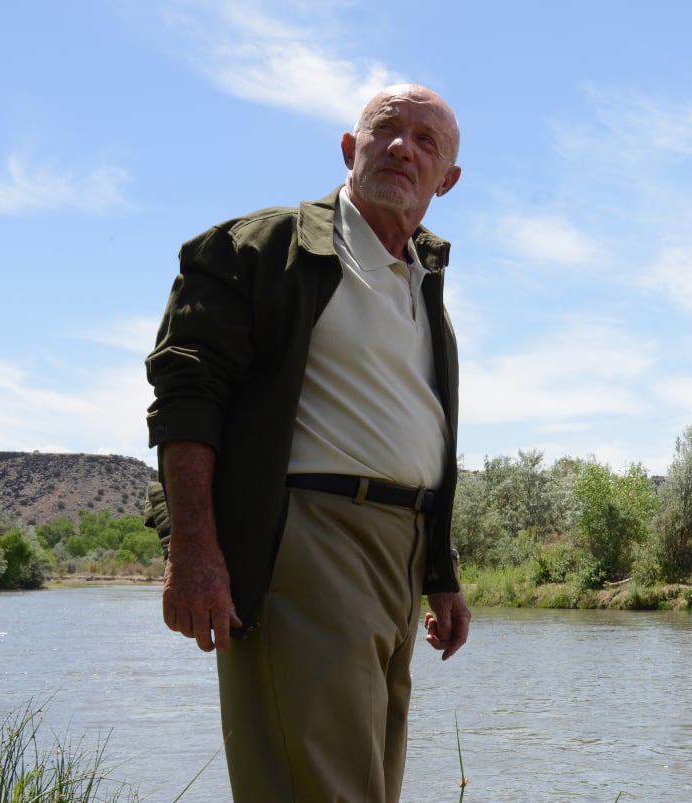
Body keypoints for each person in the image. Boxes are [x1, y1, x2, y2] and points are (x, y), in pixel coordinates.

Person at [143, 83, 471, 802]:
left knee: (369, 785)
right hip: (307, 539)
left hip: (402, 553)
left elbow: (422, 436)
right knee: (317, 787)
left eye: (425, 140)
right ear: (350, 149)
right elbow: (186, 391)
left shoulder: (424, 287)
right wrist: (193, 546)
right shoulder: (265, 250)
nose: (401, 148)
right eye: (386, 130)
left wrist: (439, 571)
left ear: (446, 179)